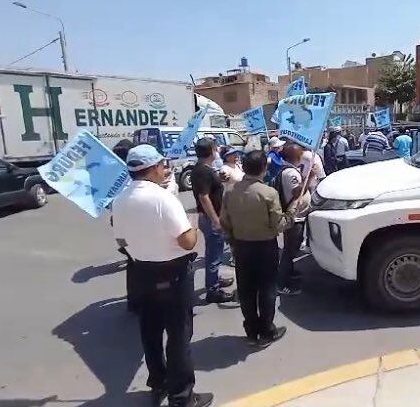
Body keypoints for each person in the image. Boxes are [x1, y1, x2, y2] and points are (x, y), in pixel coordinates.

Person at [112, 144, 213, 407]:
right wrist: (193, 228)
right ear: (154, 168)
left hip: (142, 272)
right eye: (162, 165)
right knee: (179, 336)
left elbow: (121, 241)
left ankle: (158, 382)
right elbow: (188, 242)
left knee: (150, 333)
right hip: (173, 273)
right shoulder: (164, 198)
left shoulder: (120, 199)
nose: (164, 169)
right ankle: (181, 397)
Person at [220, 150, 302, 347]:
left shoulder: (230, 191)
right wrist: (292, 209)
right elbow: (279, 225)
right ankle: (266, 331)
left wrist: (232, 240)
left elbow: (224, 221)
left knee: (246, 291)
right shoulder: (268, 193)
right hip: (265, 247)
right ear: (264, 169)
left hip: (241, 246)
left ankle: (252, 330)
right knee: (266, 290)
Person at [190, 138, 235, 304]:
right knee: (214, 255)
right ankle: (213, 290)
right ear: (211, 150)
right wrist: (215, 220)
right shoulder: (203, 171)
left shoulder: (207, 169)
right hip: (211, 218)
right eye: (215, 147)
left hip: (211, 217)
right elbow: (204, 197)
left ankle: (214, 280)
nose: (217, 150)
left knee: (215, 252)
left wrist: (219, 179)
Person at [273, 142, 308, 295]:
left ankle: (289, 272)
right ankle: (282, 284)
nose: (302, 155)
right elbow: (297, 192)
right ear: (296, 155)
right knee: (290, 250)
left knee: (291, 248)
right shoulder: (291, 173)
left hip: (294, 217)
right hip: (295, 218)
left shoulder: (288, 170)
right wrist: (309, 178)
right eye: (300, 153)